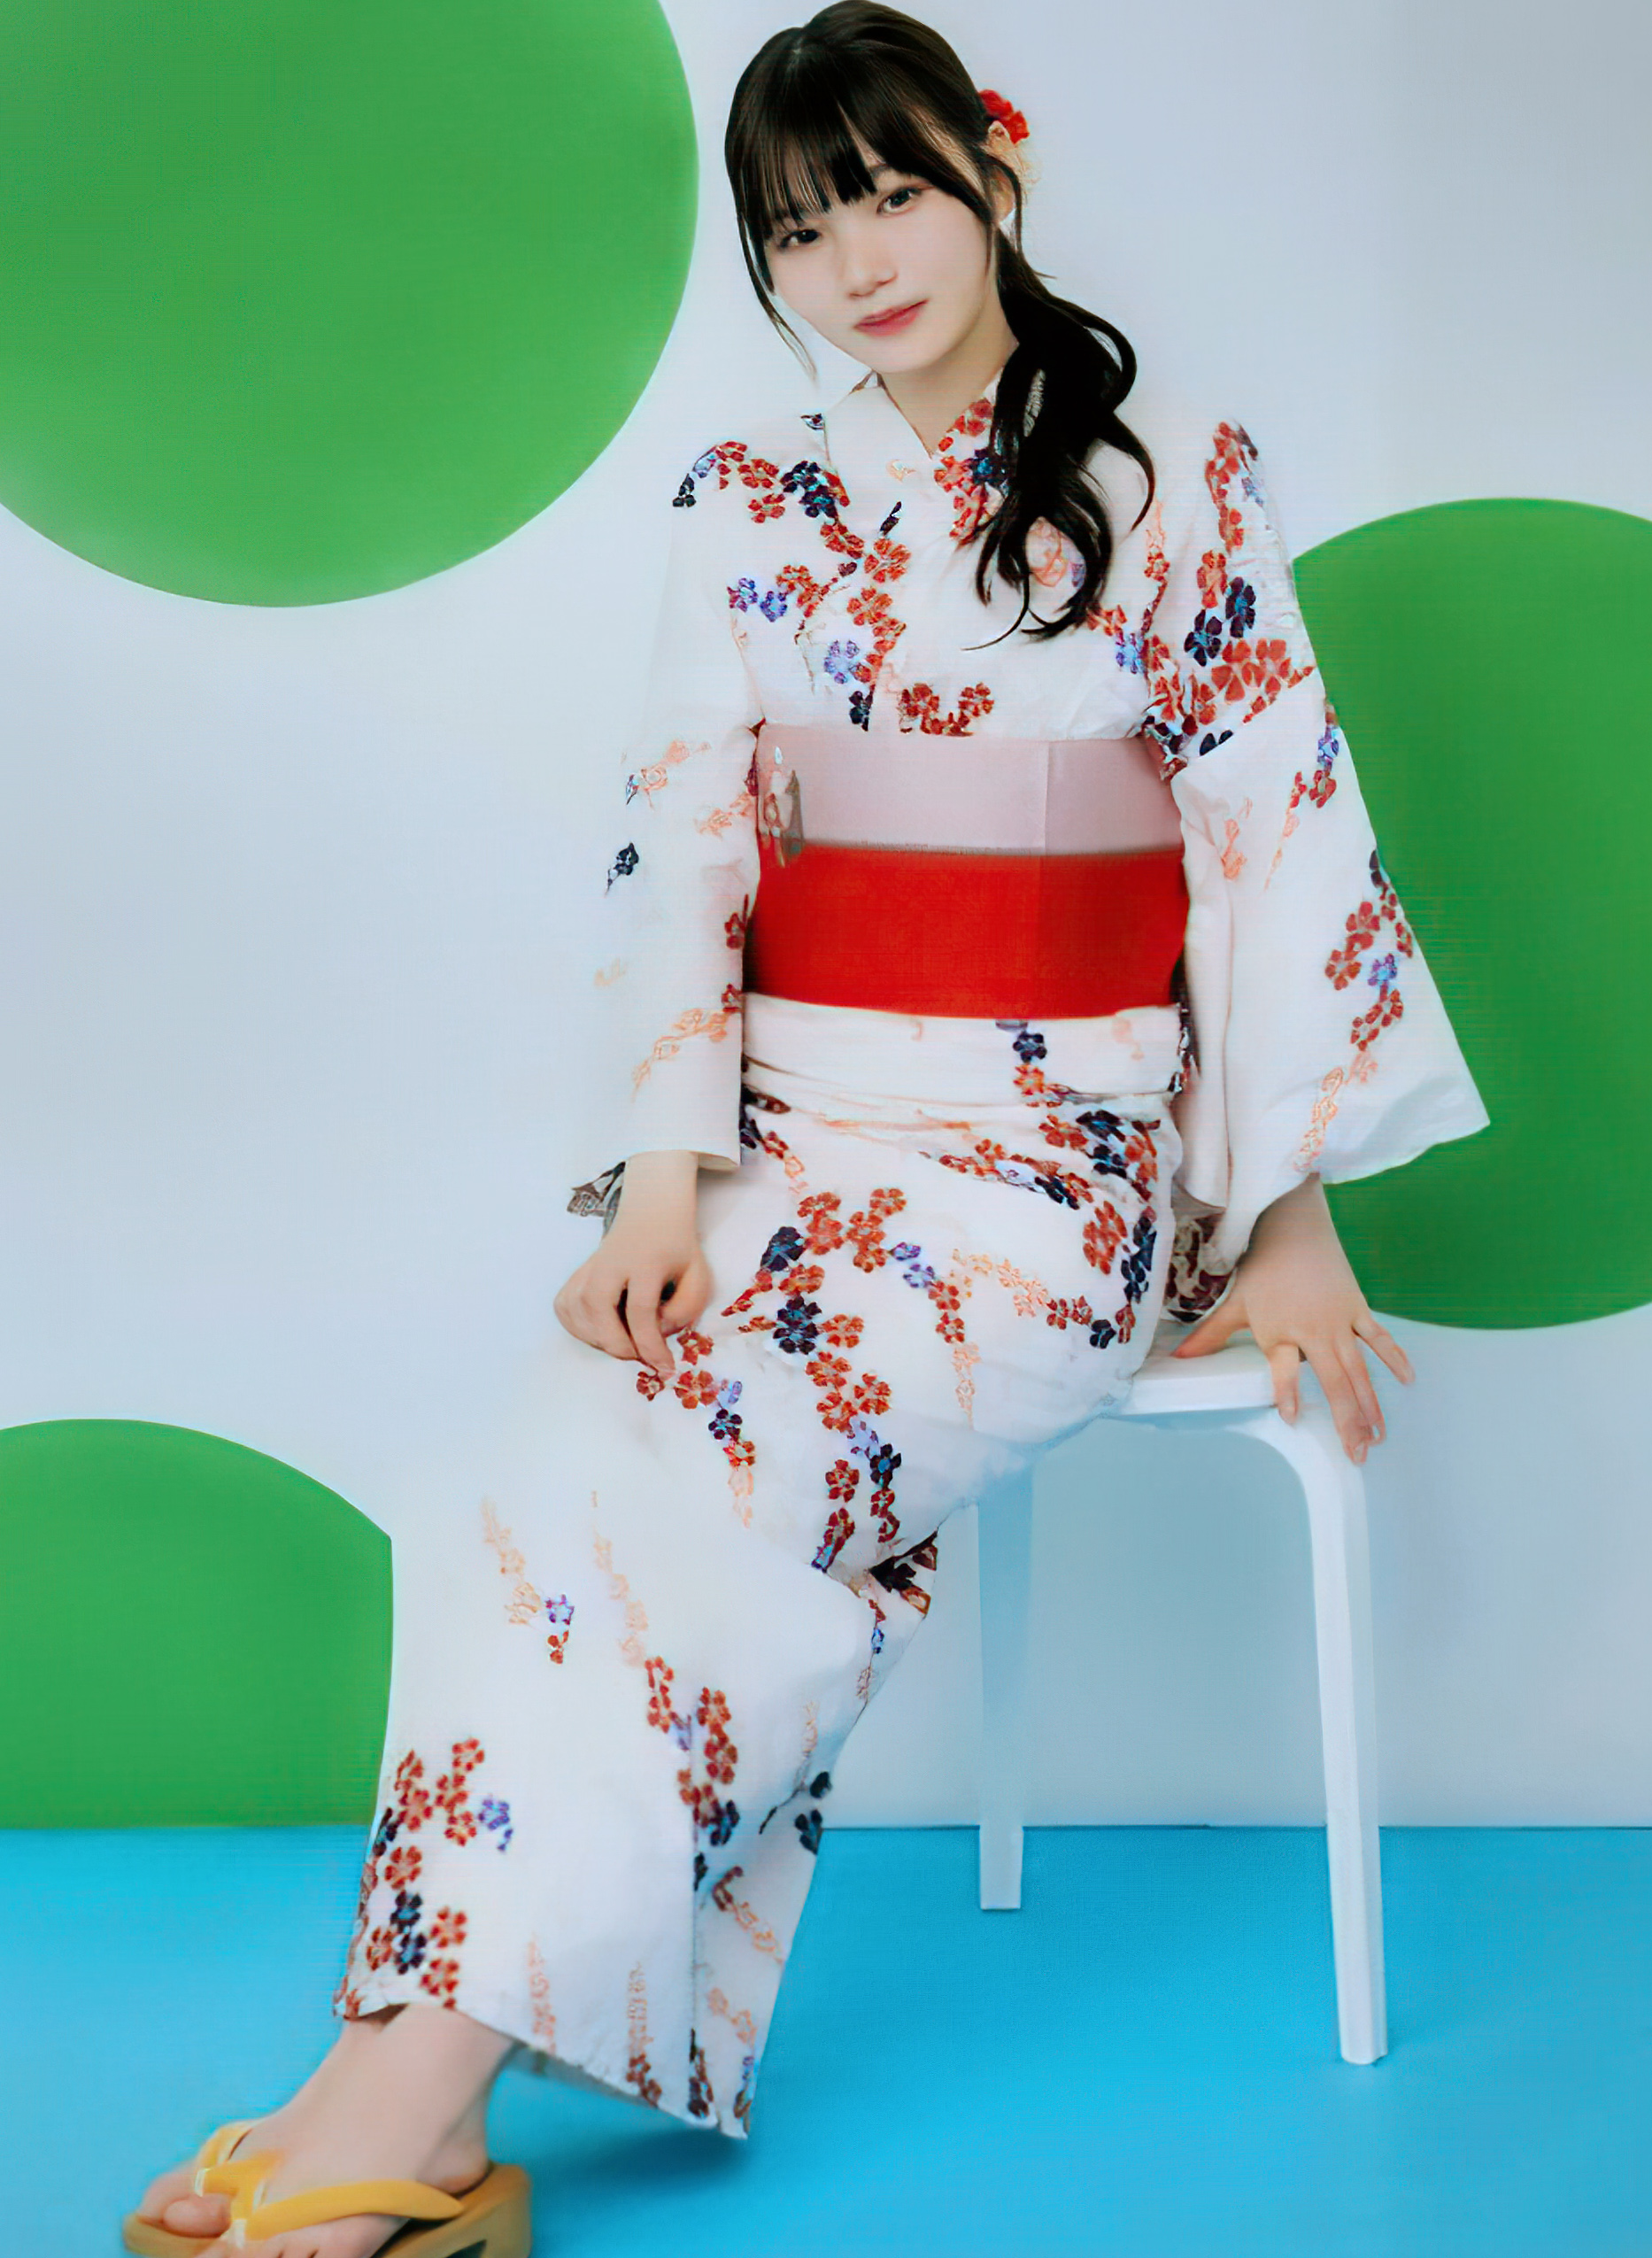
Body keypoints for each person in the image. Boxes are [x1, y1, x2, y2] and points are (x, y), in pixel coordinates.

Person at [125, 4, 1490, 2252]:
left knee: (710, 1480)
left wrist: (1289, 1216)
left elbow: (1274, 837)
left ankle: (399, 2104)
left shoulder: (1176, 479)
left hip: (1047, 1179)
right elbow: (686, 839)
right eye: (797, 229)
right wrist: (664, 1181)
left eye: (892, 192)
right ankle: (408, 2097)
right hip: (791, 1142)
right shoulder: (750, 501)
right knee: (550, 1456)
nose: (856, 261)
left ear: (991, 170)